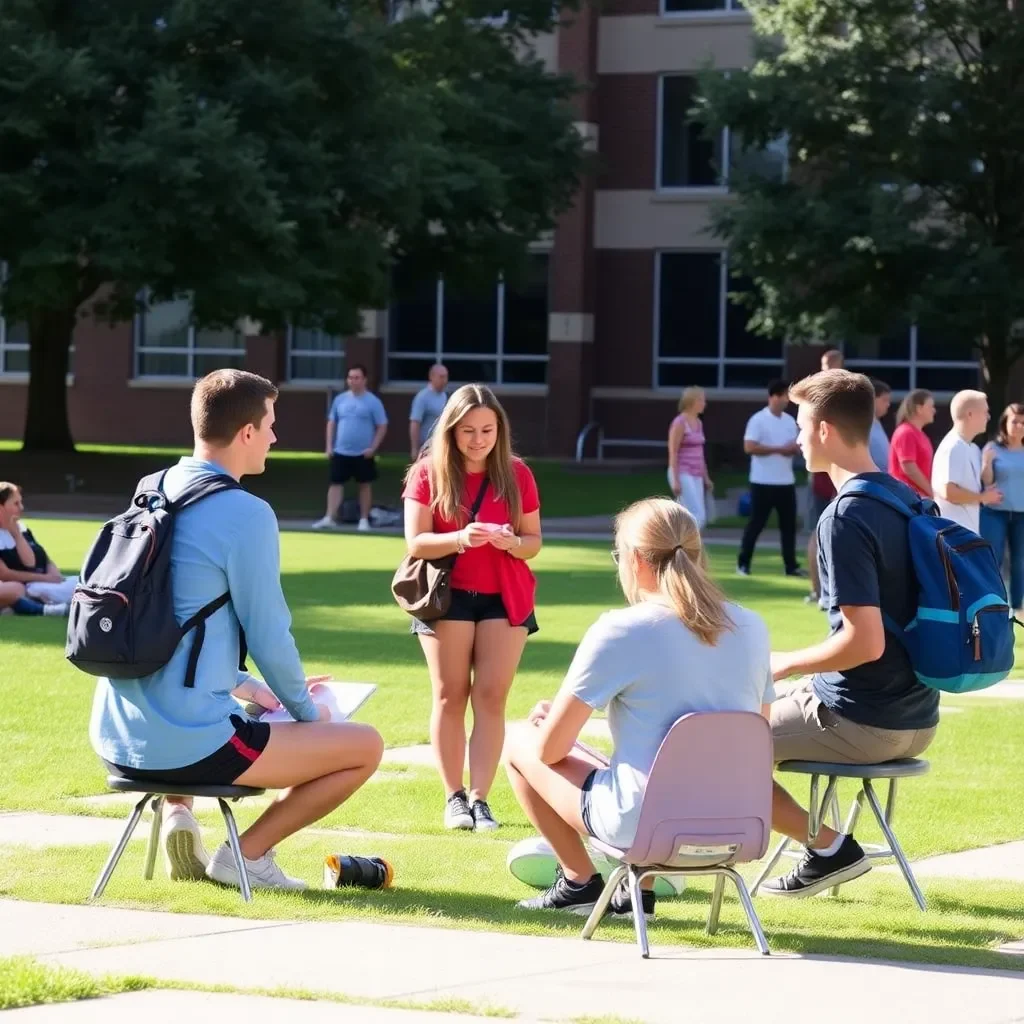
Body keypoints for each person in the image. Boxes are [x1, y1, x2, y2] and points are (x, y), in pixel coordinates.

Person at [90, 369, 386, 891]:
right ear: (246, 432)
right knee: (365, 745)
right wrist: (305, 710)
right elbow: (269, 633)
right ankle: (245, 855)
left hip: (116, 735)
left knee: (234, 708)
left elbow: (173, 628)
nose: (274, 437)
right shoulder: (246, 513)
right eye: (270, 425)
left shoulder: (150, 490)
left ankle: (179, 812)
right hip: (188, 744)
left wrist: (255, 690)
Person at [503, 497, 774, 917]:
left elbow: (549, 751)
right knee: (627, 765)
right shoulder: (752, 626)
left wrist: (551, 719)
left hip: (647, 825)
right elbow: (756, 739)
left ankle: (580, 881)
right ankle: (636, 890)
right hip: (739, 823)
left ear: (633, 559)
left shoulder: (622, 629)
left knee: (522, 740)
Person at [766, 369, 938, 897]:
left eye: (800, 426)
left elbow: (866, 643)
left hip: (863, 720)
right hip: (918, 717)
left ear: (824, 431)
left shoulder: (844, 516)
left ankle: (828, 849)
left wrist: (787, 661)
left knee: (712, 744)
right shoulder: (908, 500)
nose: (794, 438)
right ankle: (825, 849)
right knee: (749, 710)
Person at [402, 383, 541, 832]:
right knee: (450, 694)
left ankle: (481, 799)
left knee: (492, 696)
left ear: (500, 430)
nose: (478, 439)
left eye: (487, 430)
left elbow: (534, 542)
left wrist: (512, 542)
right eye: (468, 431)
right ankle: (453, 797)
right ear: (450, 430)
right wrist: (461, 538)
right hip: (448, 595)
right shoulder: (427, 473)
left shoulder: (517, 474)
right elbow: (416, 542)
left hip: (505, 596)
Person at [737, 379, 804, 578]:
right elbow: (749, 447)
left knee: (789, 526)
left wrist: (794, 449)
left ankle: (790, 566)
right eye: (784, 396)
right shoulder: (758, 420)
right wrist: (779, 449)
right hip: (762, 481)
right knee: (756, 524)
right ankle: (743, 563)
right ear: (773, 396)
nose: (786, 401)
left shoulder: (790, 421)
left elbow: (798, 445)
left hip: (786, 481)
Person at [312, 365, 388, 532]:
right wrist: (329, 446)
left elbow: (382, 425)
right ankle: (329, 517)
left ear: (364, 380)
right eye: (350, 378)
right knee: (335, 483)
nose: (353, 381)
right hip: (341, 451)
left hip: (363, 453)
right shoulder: (340, 400)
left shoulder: (372, 402)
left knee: (364, 484)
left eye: (357, 377)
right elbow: (332, 422)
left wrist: (373, 448)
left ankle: (363, 519)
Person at [931, 390, 1001, 533]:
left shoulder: (971, 447)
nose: (988, 417)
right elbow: (949, 492)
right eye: (984, 412)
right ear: (970, 414)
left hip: (965, 534)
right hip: (953, 536)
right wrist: (982, 497)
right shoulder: (953, 447)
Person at [806, 350, 844, 606]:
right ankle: (820, 590)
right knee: (819, 530)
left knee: (824, 529)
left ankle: (824, 590)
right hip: (826, 473)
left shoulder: (828, 392)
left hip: (830, 470)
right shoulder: (828, 394)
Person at [0, 482, 72, 616]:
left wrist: (17, 536)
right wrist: (47, 578)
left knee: (84, 583)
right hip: (28, 586)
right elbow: (4, 574)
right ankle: (42, 608)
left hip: (39, 583)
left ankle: (17, 605)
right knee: (16, 589)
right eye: (15, 504)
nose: (21, 507)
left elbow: (32, 562)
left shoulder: (20, 527)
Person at [980, 403, 1024, 614]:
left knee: (1020, 561)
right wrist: (986, 464)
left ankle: (1017, 607)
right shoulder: (992, 448)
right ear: (1004, 423)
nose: (1019, 426)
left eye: (1023, 423)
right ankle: (993, 604)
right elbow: (987, 481)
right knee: (993, 557)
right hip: (995, 512)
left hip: (1022, 515)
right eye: (1015, 421)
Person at [667, 387, 713, 530]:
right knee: (697, 515)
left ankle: (678, 547)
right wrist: (675, 480)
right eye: (702, 400)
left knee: (690, 515)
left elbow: (700, 454)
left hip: (696, 473)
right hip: (682, 472)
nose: (704, 404)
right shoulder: (679, 423)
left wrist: (706, 478)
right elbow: (673, 452)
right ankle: (686, 546)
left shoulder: (699, 423)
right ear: (693, 402)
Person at [888, 388, 936, 496]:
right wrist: (931, 492)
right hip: (907, 499)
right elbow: (909, 468)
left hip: (917, 499)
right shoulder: (906, 432)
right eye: (930, 406)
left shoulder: (920, 434)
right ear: (919, 408)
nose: (934, 410)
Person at [409, 364, 449, 459]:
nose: (444, 380)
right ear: (431, 377)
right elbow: (415, 423)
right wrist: (415, 448)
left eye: (446, 376)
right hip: (426, 448)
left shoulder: (444, 396)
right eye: (441, 377)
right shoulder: (422, 397)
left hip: (441, 446)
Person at [868, 378, 892, 472]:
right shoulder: (861, 426)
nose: (888, 404)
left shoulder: (877, 423)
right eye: (884, 400)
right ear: (872, 399)